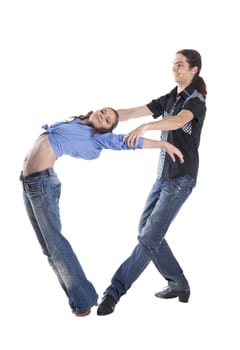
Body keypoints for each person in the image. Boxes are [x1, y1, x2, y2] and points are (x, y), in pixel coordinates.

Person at [20, 107, 184, 317]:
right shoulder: (78, 123)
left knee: (56, 246)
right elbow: (124, 113)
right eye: (104, 112)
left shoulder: (98, 139)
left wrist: (162, 144)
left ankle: (84, 299)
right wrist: (135, 111)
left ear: (105, 130)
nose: (103, 117)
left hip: (43, 185)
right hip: (27, 183)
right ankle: (77, 298)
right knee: (48, 249)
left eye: (107, 121)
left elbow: (129, 142)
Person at [97, 49, 207, 316]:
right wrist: (102, 115)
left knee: (148, 238)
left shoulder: (195, 100)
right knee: (146, 230)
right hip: (163, 176)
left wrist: (148, 127)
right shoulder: (171, 96)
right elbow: (135, 111)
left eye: (180, 64)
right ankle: (178, 283)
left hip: (181, 178)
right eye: (173, 64)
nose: (174, 68)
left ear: (194, 70)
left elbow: (180, 121)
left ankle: (114, 292)